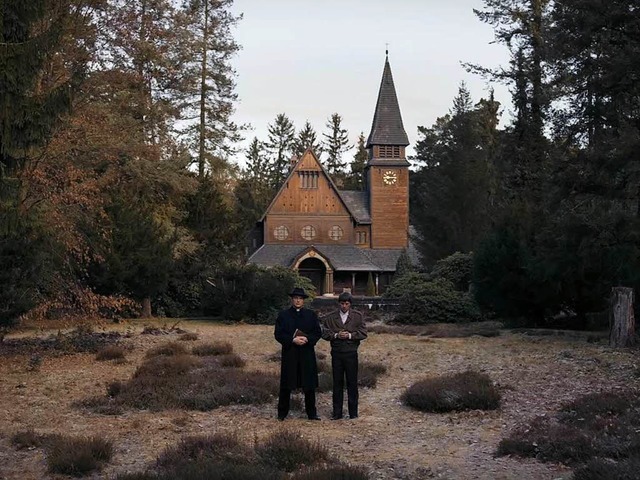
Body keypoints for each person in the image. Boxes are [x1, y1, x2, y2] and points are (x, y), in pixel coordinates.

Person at [274, 287, 322, 421]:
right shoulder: (283, 315)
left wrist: (308, 339)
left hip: (306, 353)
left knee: (309, 384)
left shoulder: (311, 315)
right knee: (286, 384)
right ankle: (282, 414)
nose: (298, 300)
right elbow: (278, 334)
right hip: (290, 353)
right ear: (292, 299)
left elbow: (317, 332)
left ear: (304, 301)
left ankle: (312, 413)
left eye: (300, 298)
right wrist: (292, 340)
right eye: (295, 298)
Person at [321, 291, 367, 420]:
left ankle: (353, 413)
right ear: (338, 304)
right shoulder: (330, 317)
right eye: (342, 303)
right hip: (336, 354)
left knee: (352, 383)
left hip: (351, 353)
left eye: (347, 304)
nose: (344, 306)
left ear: (350, 304)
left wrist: (350, 335)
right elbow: (324, 334)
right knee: (337, 383)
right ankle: (337, 413)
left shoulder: (358, 316)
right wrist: (336, 335)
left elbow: (363, 333)